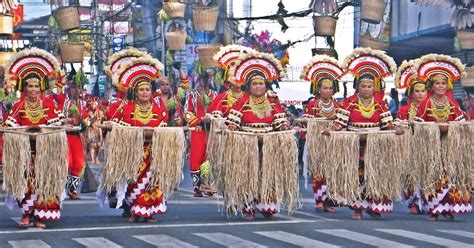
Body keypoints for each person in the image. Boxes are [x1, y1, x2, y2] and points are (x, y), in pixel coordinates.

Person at [324, 48, 403, 220]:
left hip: (375, 145)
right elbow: (340, 123)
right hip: (354, 145)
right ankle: (358, 209)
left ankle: (374, 205)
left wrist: (395, 129)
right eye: (363, 86)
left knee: (375, 175)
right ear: (357, 87)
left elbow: (387, 123)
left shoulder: (380, 104)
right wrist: (331, 130)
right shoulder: (349, 103)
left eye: (369, 86)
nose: (367, 89)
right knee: (357, 175)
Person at [4, 48, 63, 228]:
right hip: (26, 153)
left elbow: (57, 126)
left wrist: (45, 130)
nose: (33, 90)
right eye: (30, 86)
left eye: (36, 86)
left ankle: (40, 217)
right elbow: (9, 126)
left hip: (46, 154)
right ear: (24, 86)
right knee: (27, 185)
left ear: (41, 87)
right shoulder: (18, 105)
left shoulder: (48, 104)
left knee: (44, 183)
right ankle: (26, 215)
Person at [225, 51, 288, 220]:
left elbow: (280, 122)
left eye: (261, 84)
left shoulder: (273, 103)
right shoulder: (241, 102)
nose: (258, 87)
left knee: (267, 175)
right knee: (248, 176)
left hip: (269, 145)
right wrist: (230, 128)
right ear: (249, 86)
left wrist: (284, 128)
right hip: (247, 145)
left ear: (266, 86)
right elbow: (233, 123)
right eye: (255, 84)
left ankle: (267, 206)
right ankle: (248, 208)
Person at [414, 54, 472, 220]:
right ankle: (433, 209)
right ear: (432, 85)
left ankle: (447, 209)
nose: (440, 86)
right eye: (437, 83)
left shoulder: (452, 102)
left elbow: (461, 122)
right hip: (432, 148)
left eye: (443, 83)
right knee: (434, 176)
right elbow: (419, 124)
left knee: (450, 177)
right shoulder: (427, 103)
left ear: (448, 85)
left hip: (449, 147)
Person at [112, 56, 169, 223]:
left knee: (151, 183)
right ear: (135, 92)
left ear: (152, 92)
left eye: (147, 90)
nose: (144, 92)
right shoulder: (127, 109)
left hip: (153, 153)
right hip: (133, 153)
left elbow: (164, 129)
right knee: (133, 182)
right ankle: (135, 210)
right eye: (141, 90)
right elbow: (120, 130)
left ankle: (149, 212)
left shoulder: (159, 110)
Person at [300, 55, 344, 213]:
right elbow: (306, 120)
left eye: (330, 88)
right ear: (318, 89)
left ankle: (329, 200)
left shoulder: (338, 105)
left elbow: (342, 121)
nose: (327, 91)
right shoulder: (312, 104)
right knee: (319, 171)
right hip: (317, 142)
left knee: (332, 171)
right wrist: (324, 119)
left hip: (332, 142)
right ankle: (319, 199)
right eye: (325, 88)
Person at [394, 59, 428, 214]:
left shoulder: (432, 106)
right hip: (408, 147)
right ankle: (413, 203)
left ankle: (428, 202)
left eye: (423, 91)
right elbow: (398, 125)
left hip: (427, 147)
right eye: (417, 91)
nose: (421, 94)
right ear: (411, 93)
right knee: (409, 174)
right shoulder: (404, 109)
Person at [183, 72, 218, 197]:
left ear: (210, 79)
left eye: (206, 78)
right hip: (197, 130)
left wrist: (212, 119)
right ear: (197, 80)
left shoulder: (215, 95)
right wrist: (198, 121)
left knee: (210, 158)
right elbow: (187, 112)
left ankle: (208, 185)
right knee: (196, 158)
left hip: (212, 130)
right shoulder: (192, 95)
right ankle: (197, 188)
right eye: (201, 79)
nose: (203, 81)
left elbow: (219, 111)